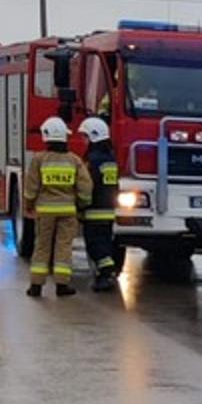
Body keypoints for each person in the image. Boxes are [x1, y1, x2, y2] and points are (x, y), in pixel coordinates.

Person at [21, 117, 91, 297]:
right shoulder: (74, 160)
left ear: (46, 137)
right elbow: (85, 187)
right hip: (68, 211)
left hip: (44, 212)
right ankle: (62, 285)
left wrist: (29, 204)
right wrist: (82, 204)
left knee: (42, 246)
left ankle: (36, 286)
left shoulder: (39, 159)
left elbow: (31, 186)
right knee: (64, 247)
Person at [77, 117, 122, 291]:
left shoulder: (92, 160)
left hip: (94, 210)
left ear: (94, 136)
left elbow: (87, 186)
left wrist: (81, 205)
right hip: (108, 210)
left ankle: (106, 273)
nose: (84, 140)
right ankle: (107, 272)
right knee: (104, 243)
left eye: (85, 136)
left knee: (95, 246)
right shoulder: (110, 159)